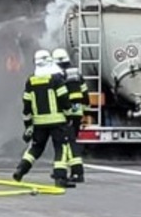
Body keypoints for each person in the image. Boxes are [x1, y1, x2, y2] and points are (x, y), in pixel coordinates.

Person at [12, 49, 76, 188]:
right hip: (58, 121)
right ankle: (60, 179)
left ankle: (20, 170)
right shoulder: (56, 79)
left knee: (35, 148)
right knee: (61, 148)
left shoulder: (31, 81)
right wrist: (69, 115)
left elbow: (26, 105)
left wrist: (28, 125)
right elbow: (64, 99)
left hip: (39, 123)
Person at [52, 47, 89, 183]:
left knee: (68, 142)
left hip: (67, 112)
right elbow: (85, 93)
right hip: (77, 111)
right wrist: (83, 109)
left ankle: (77, 173)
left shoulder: (59, 74)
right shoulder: (76, 72)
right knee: (72, 140)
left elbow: (61, 96)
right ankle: (73, 172)